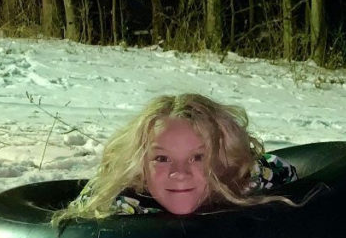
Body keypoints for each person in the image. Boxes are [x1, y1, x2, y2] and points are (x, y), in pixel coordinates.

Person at [54, 93, 297, 223]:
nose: (179, 172)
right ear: (140, 163)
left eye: (198, 157)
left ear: (221, 160)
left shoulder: (247, 178)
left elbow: (284, 170)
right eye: (161, 158)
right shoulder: (117, 204)